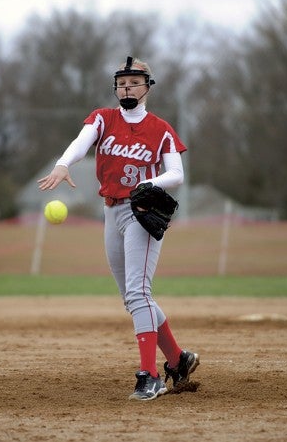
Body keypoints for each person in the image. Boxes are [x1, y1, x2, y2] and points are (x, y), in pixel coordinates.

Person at [38, 56, 199, 401]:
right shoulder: (104, 118)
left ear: (147, 86)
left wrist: (149, 182)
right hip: (111, 211)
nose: (127, 87)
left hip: (141, 212)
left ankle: (150, 376)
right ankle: (178, 359)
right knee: (133, 297)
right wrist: (64, 163)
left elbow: (177, 174)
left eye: (134, 82)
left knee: (139, 292)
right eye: (122, 83)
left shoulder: (161, 129)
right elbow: (83, 140)